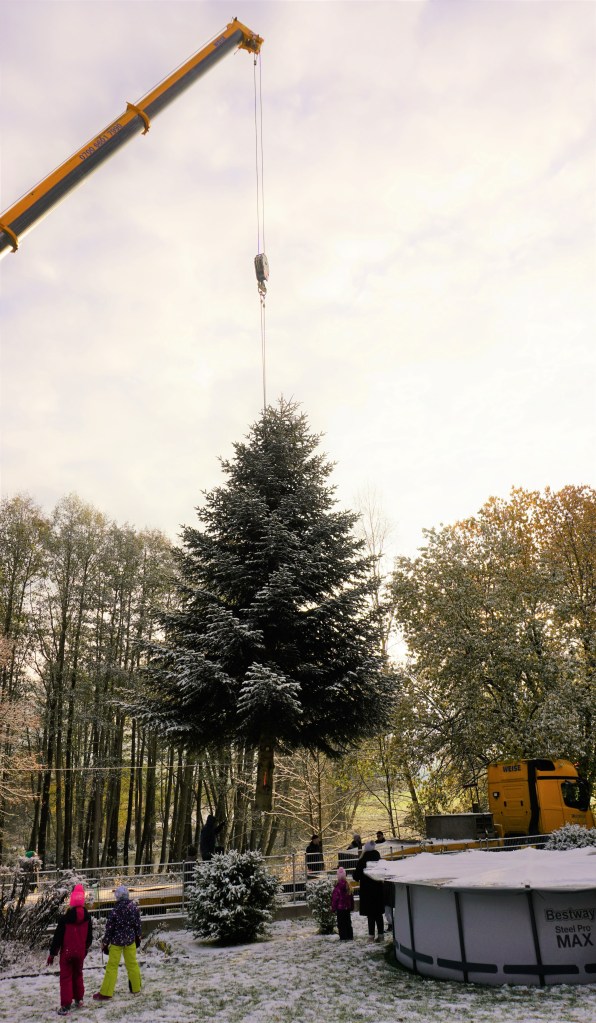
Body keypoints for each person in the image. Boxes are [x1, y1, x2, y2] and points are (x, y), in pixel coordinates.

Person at [47, 883, 93, 1016]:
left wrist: (52, 953)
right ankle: (79, 999)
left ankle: (66, 1005)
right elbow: (89, 937)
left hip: (67, 953)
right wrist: (85, 949)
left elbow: (58, 938)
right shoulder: (87, 918)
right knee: (78, 975)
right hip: (80, 952)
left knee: (66, 978)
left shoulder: (65, 918)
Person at [93, 885, 142, 1002]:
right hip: (130, 941)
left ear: (117, 897)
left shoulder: (115, 911)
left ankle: (106, 992)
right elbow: (138, 924)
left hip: (116, 942)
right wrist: (138, 936)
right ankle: (136, 988)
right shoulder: (134, 908)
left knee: (112, 966)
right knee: (132, 964)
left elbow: (110, 929)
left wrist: (105, 942)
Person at [353, 841, 385, 942]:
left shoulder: (363, 860)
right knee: (378, 914)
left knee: (370, 914)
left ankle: (371, 936)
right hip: (378, 888)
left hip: (367, 890)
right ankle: (381, 935)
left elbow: (356, 876)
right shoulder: (378, 858)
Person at [331, 866, 354, 940]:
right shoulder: (348, 886)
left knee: (341, 923)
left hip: (340, 908)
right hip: (347, 908)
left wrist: (333, 908)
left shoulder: (337, 887)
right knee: (348, 922)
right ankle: (350, 935)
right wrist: (352, 906)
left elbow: (335, 899)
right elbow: (351, 898)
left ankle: (343, 936)